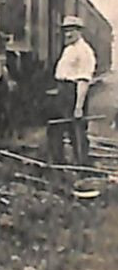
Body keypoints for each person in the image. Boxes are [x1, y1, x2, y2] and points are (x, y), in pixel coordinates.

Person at [50, 15, 97, 167]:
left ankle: (82, 164)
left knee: (76, 130)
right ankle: (58, 163)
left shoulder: (85, 51)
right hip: (63, 91)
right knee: (56, 128)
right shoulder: (69, 49)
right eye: (65, 31)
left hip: (74, 93)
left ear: (79, 32)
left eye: (71, 31)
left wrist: (78, 107)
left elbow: (83, 81)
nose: (68, 34)